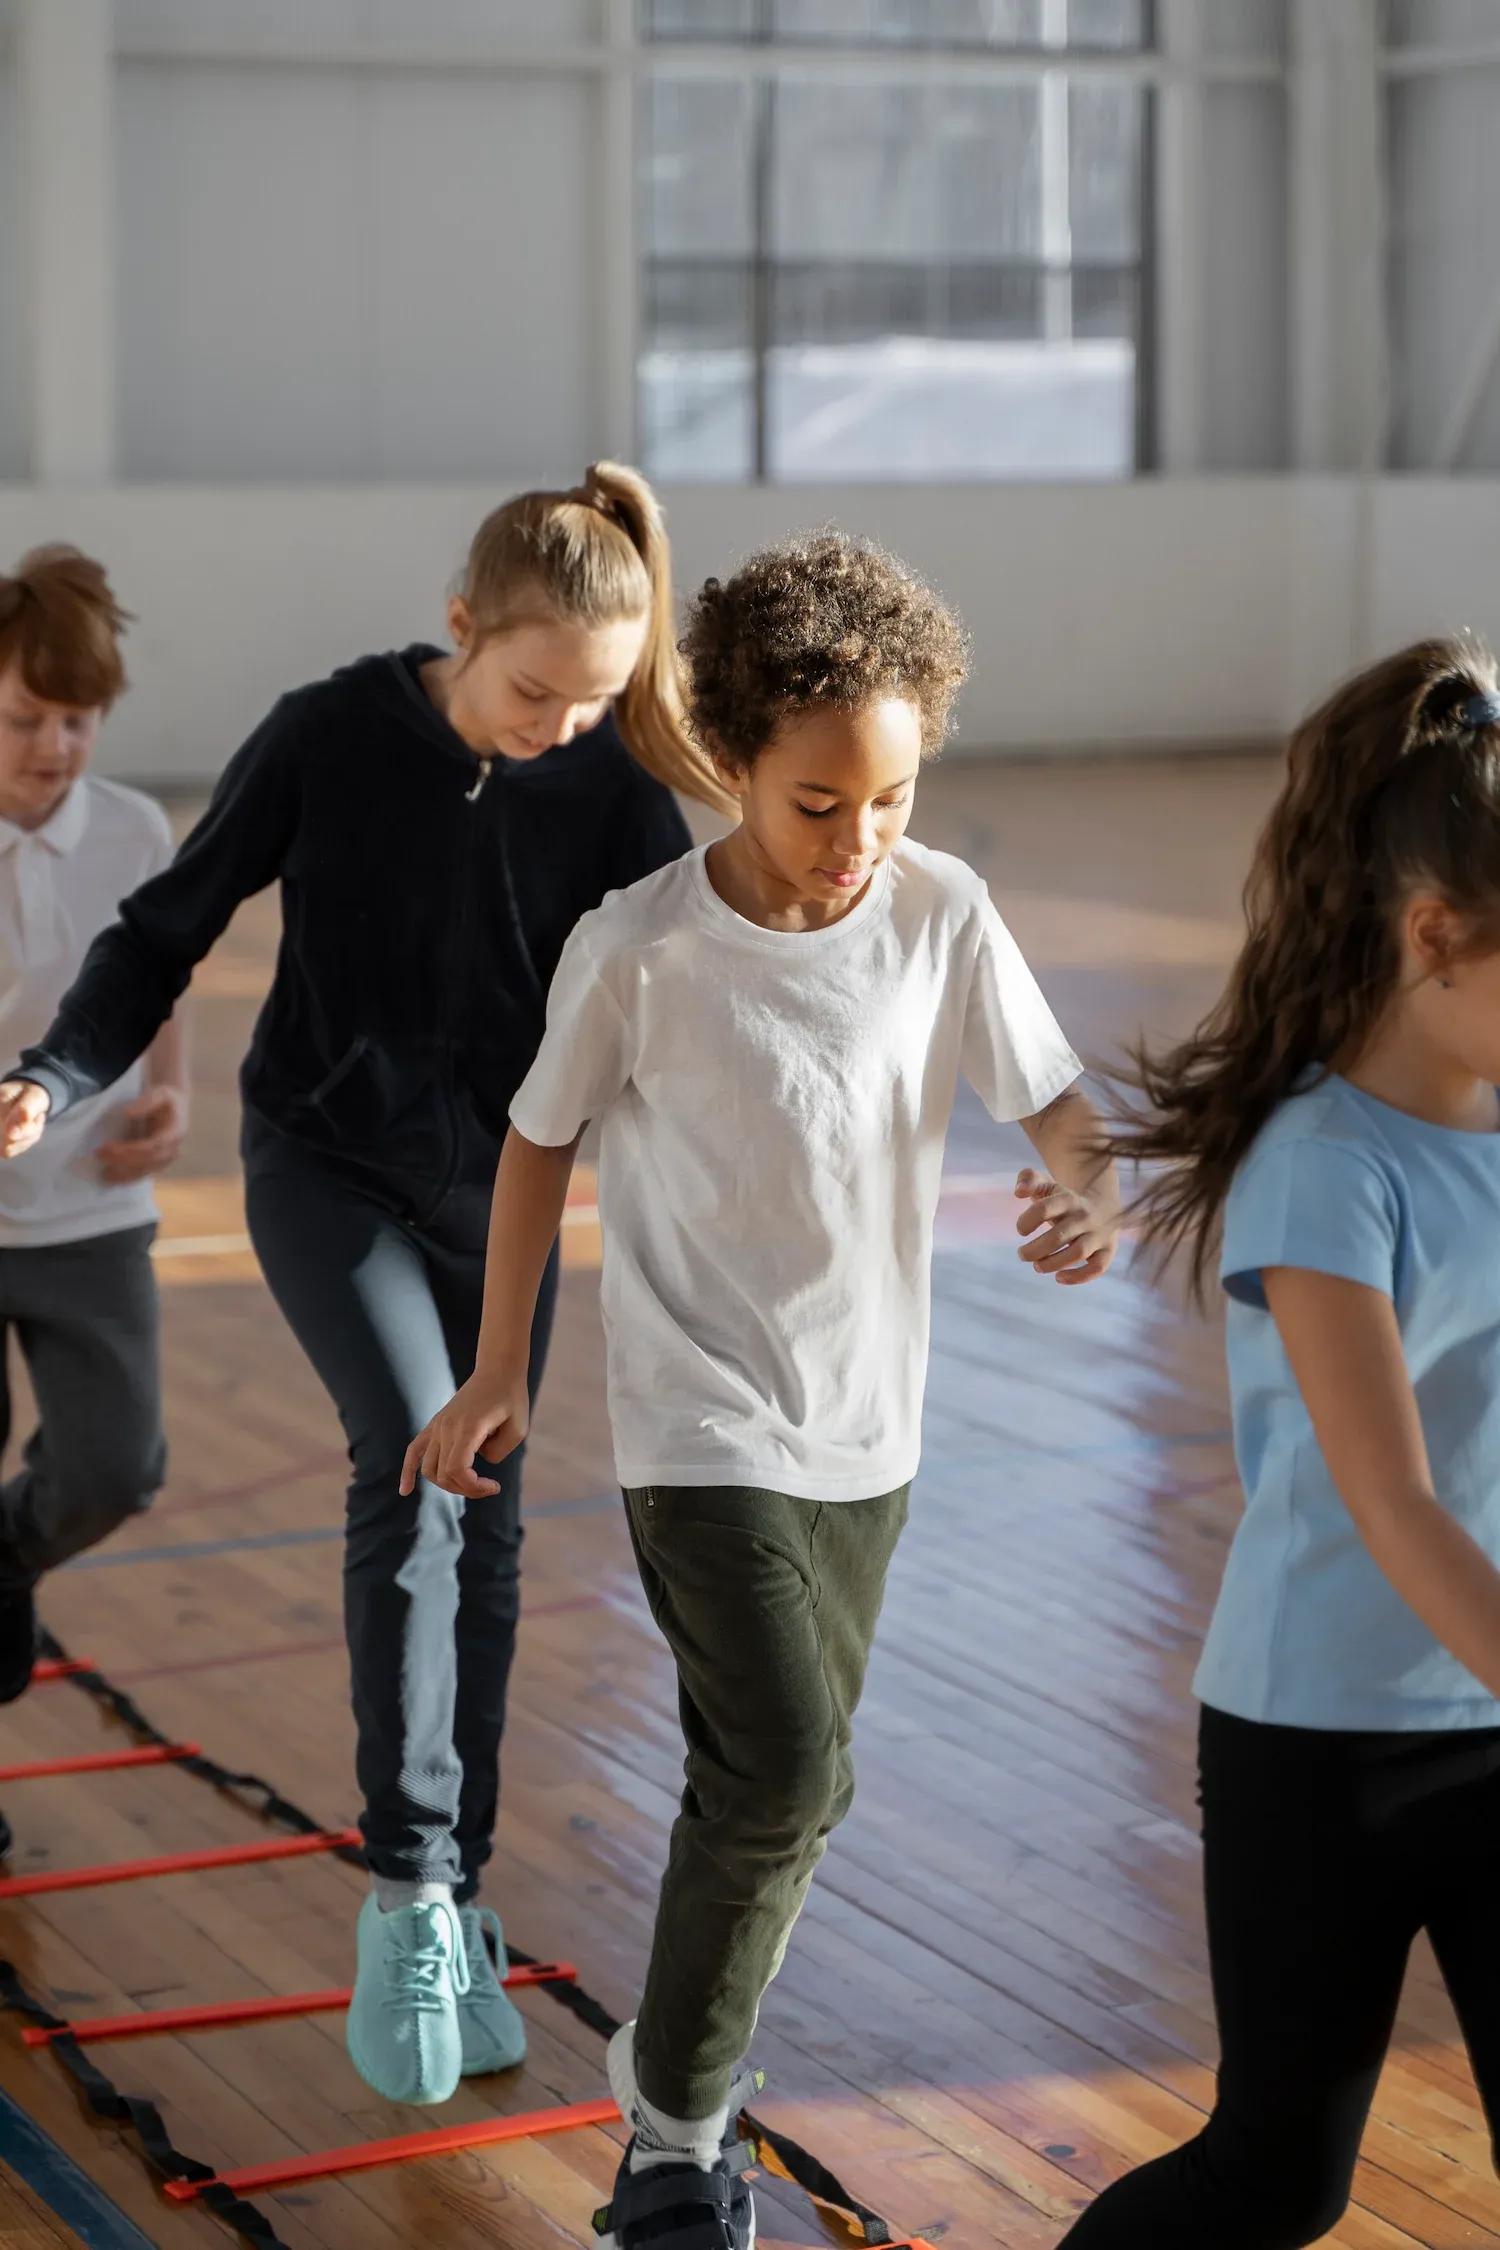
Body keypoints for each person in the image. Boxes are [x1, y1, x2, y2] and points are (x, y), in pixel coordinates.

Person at [405, 532, 1122, 2250]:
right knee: (788, 1771)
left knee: (785, 1782)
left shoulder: (941, 914)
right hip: (698, 1426)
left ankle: (678, 2065)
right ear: (734, 760)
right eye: (818, 803)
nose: (856, 838)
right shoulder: (639, 947)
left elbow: (1063, 1109)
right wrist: (497, 1362)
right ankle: (670, 2144)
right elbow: (536, 1142)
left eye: (890, 800)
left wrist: (1092, 1196)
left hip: (869, 1433)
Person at [0, 466, 725, 2107]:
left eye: (593, 703)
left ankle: (460, 1895)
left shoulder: (608, 779)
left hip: (506, 1198)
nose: (557, 730)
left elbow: (688, 987)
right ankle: (404, 1893)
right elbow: (163, 929)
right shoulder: (326, 735)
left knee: (491, 1527)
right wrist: (57, 1071)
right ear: (461, 624)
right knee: (414, 1458)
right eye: (533, 692)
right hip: (326, 1167)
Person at [1059, 643, 1500, 2248]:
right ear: (1433, 932)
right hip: (1325, 1740)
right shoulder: (1324, 1163)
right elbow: (1391, 1497)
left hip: (1492, 1716)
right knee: (1276, 2178)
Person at [0, 548, 186, 1779]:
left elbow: (157, 988)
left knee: (118, 1466)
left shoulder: (134, 829)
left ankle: (2, 1567)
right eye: (25, 717)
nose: (55, 745)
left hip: (91, 1208)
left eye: (78, 720)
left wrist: (172, 1096)